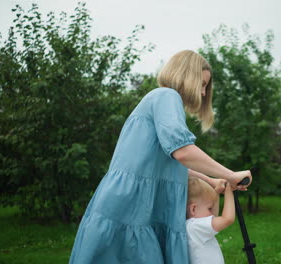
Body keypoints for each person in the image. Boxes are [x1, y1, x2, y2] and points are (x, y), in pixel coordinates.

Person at [69, 50, 252, 263]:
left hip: (135, 204)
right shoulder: (167, 96)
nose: (203, 93)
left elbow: (169, 164)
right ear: (187, 77)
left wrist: (210, 180)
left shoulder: (161, 100)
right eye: (202, 84)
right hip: (132, 207)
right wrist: (230, 174)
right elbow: (182, 151)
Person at [186, 177, 235, 264]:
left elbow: (214, 217)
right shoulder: (196, 226)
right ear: (193, 209)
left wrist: (217, 192)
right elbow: (228, 219)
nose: (212, 213)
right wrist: (229, 191)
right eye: (210, 208)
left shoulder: (190, 226)